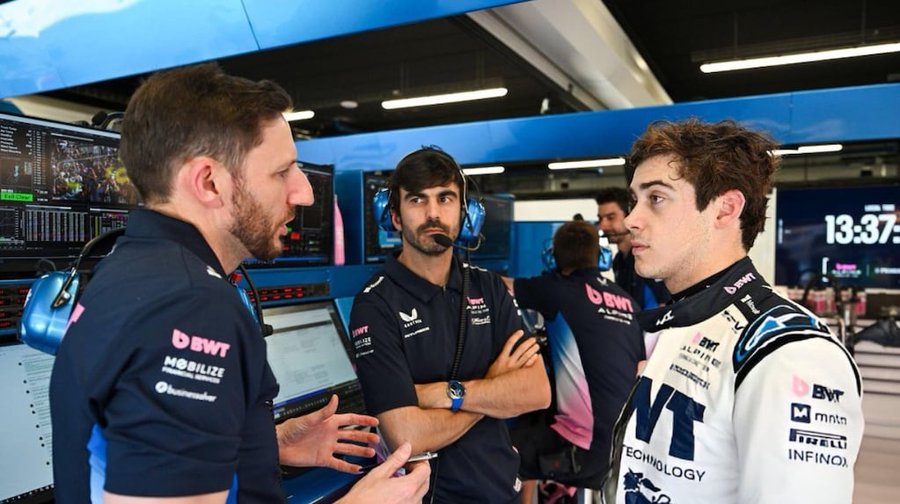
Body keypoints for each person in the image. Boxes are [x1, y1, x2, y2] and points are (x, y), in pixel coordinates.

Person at [49, 63, 429, 504]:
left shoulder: (127, 268)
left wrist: (265, 445)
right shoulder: (193, 307)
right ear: (209, 183)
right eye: (282, 172)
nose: (304, 193)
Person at [602, 119, 864, 503]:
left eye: (656, 198)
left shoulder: (792, 354)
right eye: (634, 201)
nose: (631, 220)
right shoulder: (686, 318)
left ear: (725, 210)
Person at [349, 147, 552, 503]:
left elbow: (536, 391)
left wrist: (446, 393)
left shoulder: (488, 287)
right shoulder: (375, 304)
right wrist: (492, 386)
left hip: (501, 489)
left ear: (464, 213)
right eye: (417, 200)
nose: (433, 213)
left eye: (445, 198)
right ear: (394, 217)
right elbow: (406, 436)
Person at [503, 220, 644, 503]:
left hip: (579, 450)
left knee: (495, 447)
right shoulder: (627, 301)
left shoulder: (558, 289)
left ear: (555, 256)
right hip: (623, 448)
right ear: (597, 255)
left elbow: (501, 286)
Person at [595, 187, 670, 309]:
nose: (603, 225)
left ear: (629, 216)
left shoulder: (647, 256)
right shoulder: (618, 260)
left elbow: (664, 306)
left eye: (610, 218)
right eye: (600, 219)